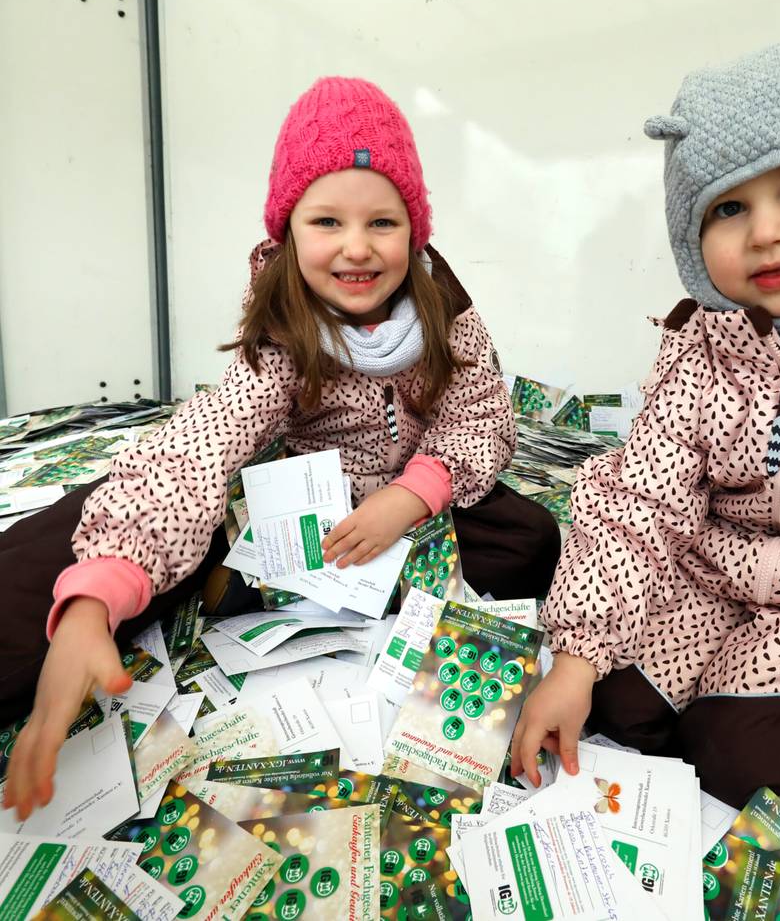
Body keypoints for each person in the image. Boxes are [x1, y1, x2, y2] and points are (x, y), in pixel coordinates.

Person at [2, 77, 560, 820]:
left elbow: (482, 414)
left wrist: (412, 494)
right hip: (310, 495)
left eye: (383, 223)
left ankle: (273, 585)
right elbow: (209, 434)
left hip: (415, 504)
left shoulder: (446, 311)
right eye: (327, 220)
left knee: (531, 537)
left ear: (414, 229)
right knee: (136, 520)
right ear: (290, 227)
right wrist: (100, 586)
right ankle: (96, 603)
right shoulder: (285, 327)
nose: (356, 249)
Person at [512, 36, 780, 879]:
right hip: (721, 581)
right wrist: (575, 657)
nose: (768, 232)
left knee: (746, 772)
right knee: (610, 711)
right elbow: (638, 498)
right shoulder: (700, 345)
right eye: (728, 208)